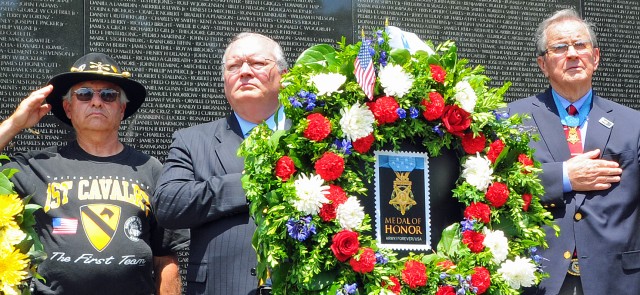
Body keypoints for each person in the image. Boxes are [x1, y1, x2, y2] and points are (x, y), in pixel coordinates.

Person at [0, 53, 188, 295]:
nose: (97, 102)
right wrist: (15, 123)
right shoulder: (37, 166)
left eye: (108, 95)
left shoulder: (150, 169)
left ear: (122, 109)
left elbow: (166, 259)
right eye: (84, 94)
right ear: (68, 108)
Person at [509, 8, 640, 295]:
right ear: (543, 64)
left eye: (580, 45)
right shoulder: (512, 120)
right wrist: (564, 176)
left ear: (595, 57)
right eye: (559, 47)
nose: (571, 54)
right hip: (540, 280)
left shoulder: (634, 124)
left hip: (616, 281)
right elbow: (498, 188)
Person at [152, 32, 287, 295]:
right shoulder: (191, 140)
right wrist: (249, 184)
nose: (245, 71)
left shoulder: (315, 136)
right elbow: (168, 205)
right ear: (225, 80)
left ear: (283, 75)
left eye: (257, 63)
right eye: (234, 66)